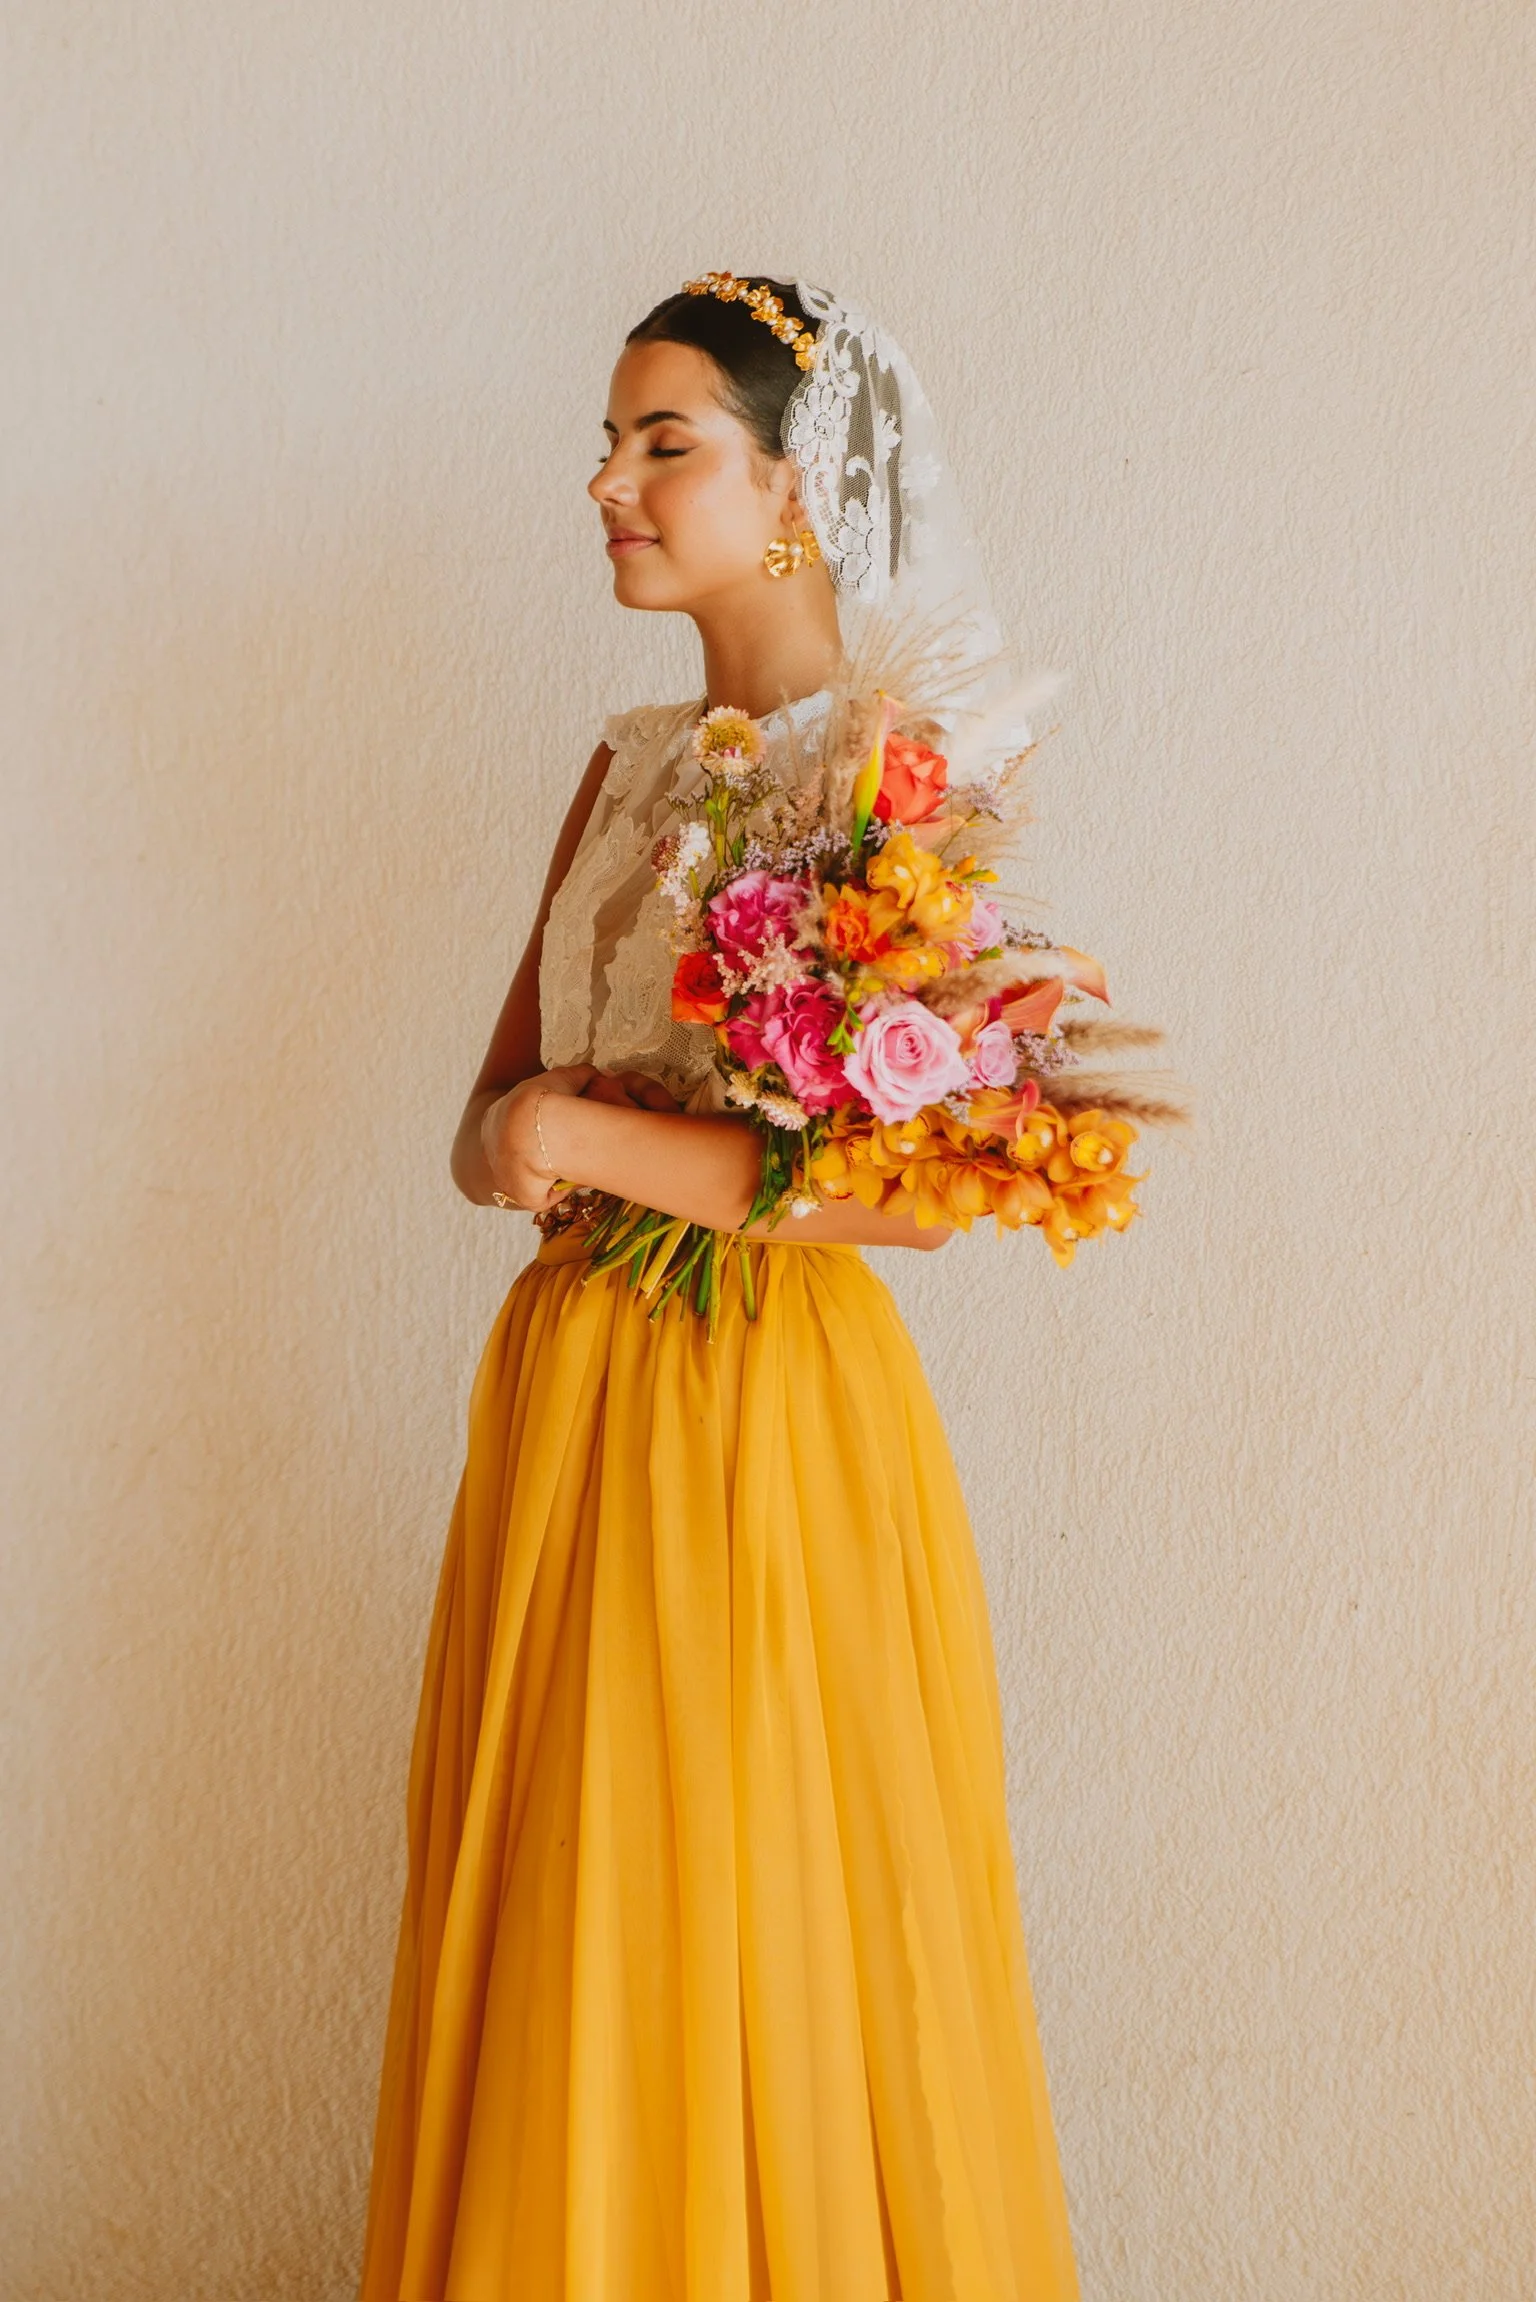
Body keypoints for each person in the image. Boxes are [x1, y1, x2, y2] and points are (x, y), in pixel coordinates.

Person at [357, 274, 1082, 2302]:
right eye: (606, 441)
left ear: (795, 484)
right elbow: (488, 1118)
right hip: (570, 1396)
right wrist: (529, 1136)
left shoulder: (894, 771)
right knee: (581, 1900)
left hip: (762, 1413)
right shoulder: (626, 765)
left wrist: (579, 1143)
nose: (608, 481)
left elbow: (914, 1194)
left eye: (662, 439)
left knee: (742, 1892)